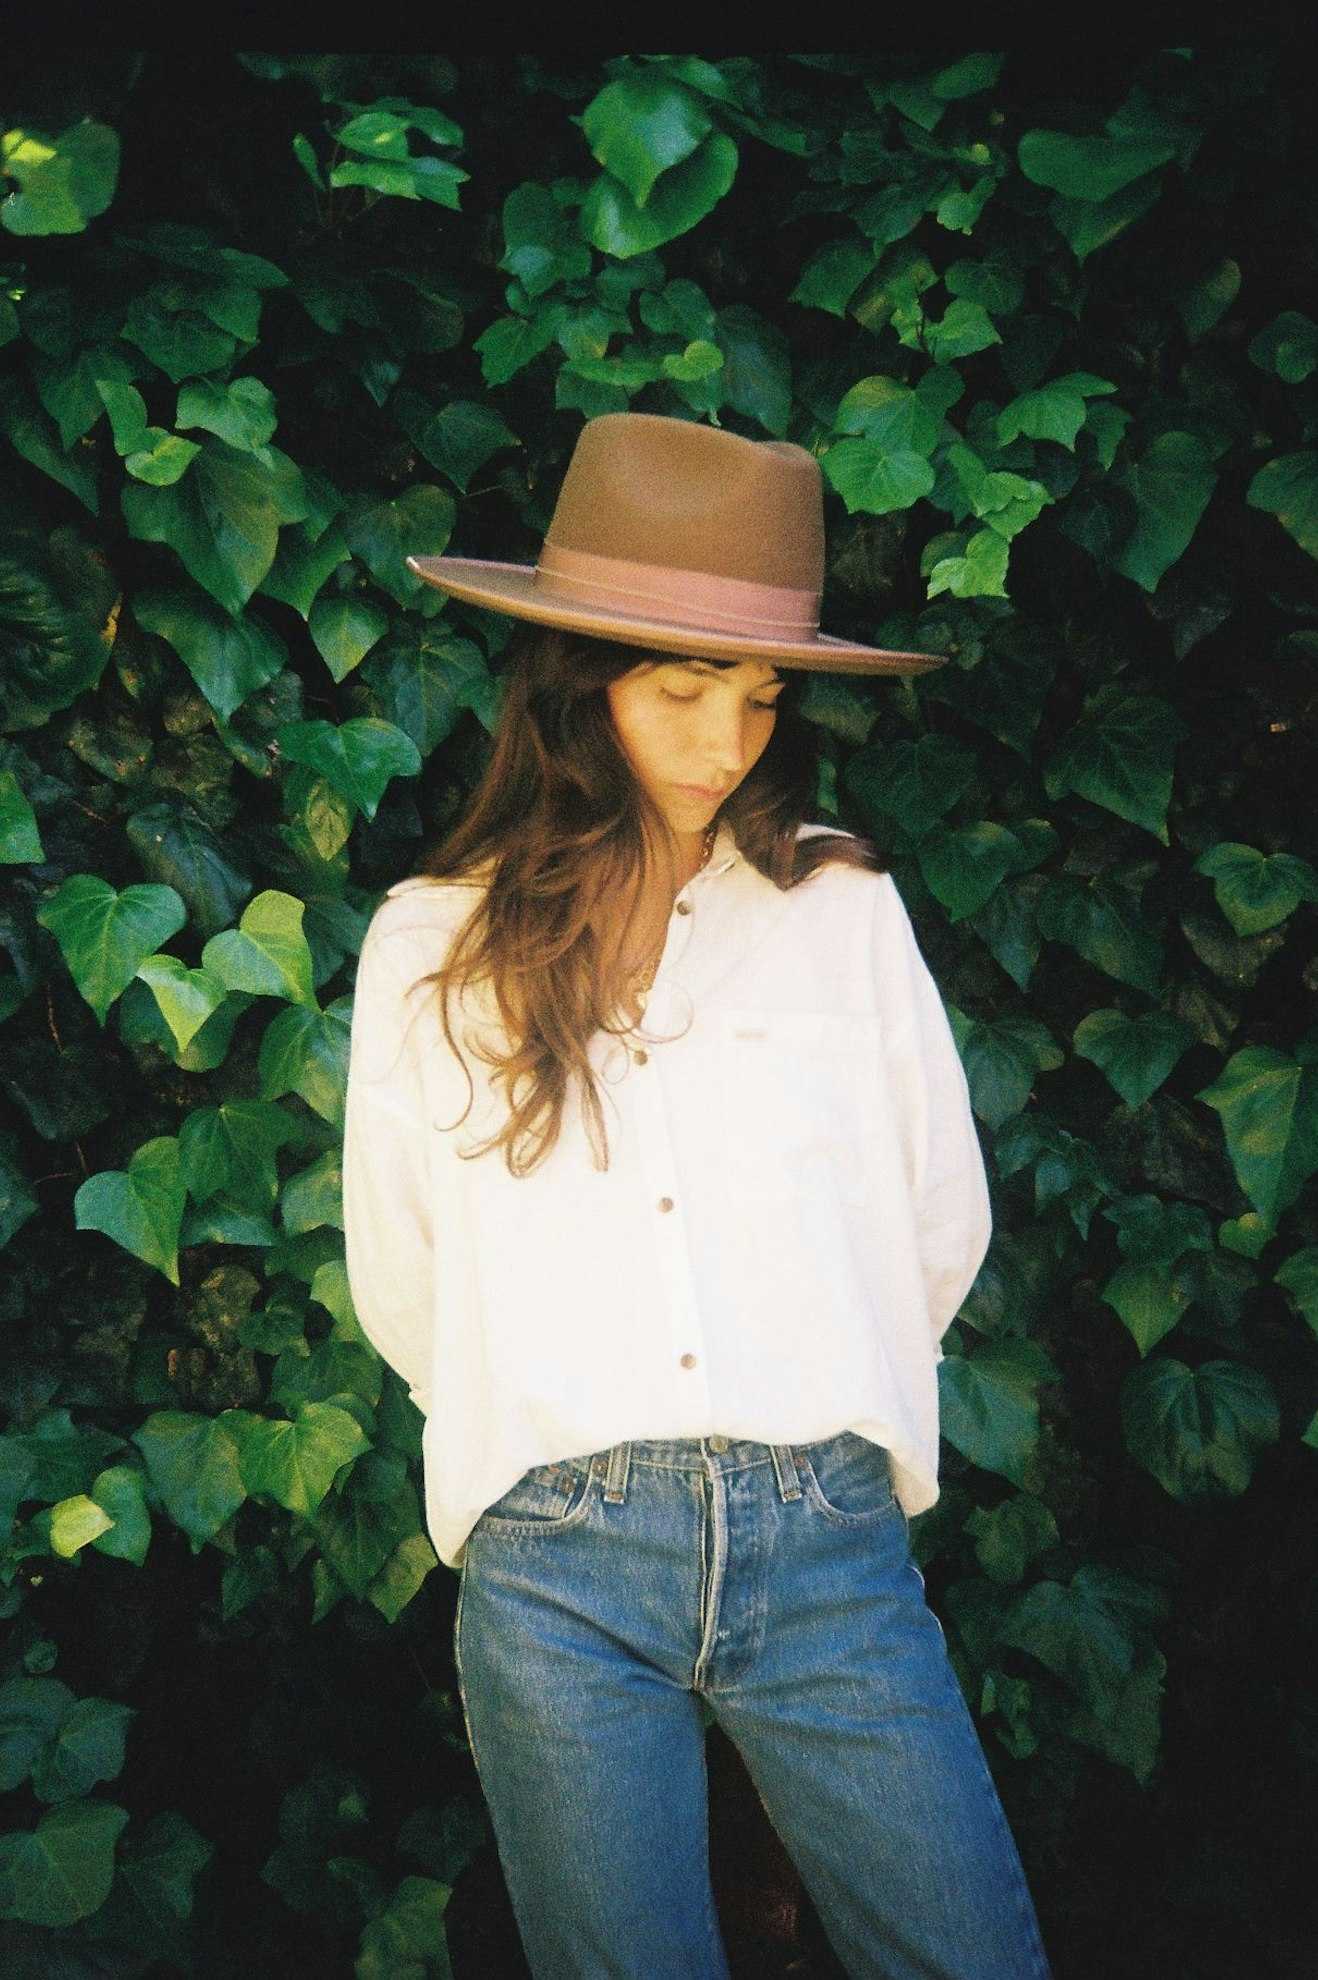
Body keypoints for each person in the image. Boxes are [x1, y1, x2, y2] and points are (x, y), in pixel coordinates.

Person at [342, 412, 1053, 1979]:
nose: (725, 740)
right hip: (557, 1561)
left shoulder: (836, 907)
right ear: (574, 684)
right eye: (680, 688)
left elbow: (935, 1213)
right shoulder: (430, 945)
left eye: (758, 694)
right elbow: (404, 1275)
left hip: (824, 1541)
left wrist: (804, 1378)